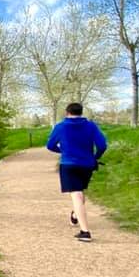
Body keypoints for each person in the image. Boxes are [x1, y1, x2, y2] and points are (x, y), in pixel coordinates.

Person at [45, 102, 107, 242]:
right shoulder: (91, 126)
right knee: (80, 192)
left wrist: (63, 150)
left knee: (77, 194)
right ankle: (75, 214)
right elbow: (102, 145)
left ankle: (85, 232)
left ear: (67, 112)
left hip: (69, 164)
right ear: (81, 112)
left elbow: (50, 145)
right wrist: (95, 157)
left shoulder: (61, 127)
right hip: (87, 164)